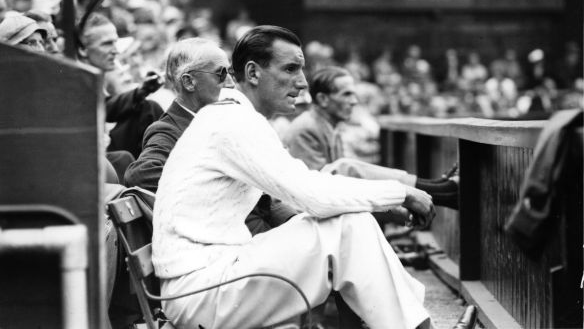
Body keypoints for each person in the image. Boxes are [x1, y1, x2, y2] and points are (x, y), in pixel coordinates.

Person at [153, 25, 475, 329]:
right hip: (199, 292)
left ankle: (415, 324)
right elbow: (312, 195)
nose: (304, 82)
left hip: (213, 276)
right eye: (291, 69)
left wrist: (388, 198)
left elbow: (307, 184)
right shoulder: (232, 121)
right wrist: (401, 192)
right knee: (349, 226)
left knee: (351, 223)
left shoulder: (233, 116)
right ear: (252, 73)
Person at [124, 37, 296, 234]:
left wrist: (293, 220)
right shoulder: (168, 130)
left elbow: (265, 187)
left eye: (230, 72)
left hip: (262, 236)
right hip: (234, 247)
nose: (231, 83)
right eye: (220, 74)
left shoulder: (223, 120)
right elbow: (140, 175)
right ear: (189, 82)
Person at [284, 66, 459, 209]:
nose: (354, 101)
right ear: (323, 99)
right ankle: (439, 190)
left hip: (321, 204)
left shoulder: (327, 125)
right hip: (305, 212)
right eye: (346, 94)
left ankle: (438, 189)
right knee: (346, 168)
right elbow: (319, 192)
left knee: (347, 169)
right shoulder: (306, 129)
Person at [78, 12, 163, 170]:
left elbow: (106, 106)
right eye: (106, 44)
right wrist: (139, 92)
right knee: (123, 158)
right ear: (83, 49)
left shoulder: (96, 76)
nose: (115, 51)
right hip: (85, 158)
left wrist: (141, 91)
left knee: (148, 108)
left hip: (103, 149)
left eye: (114, 43)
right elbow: (104, 108)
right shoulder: (74, 77)